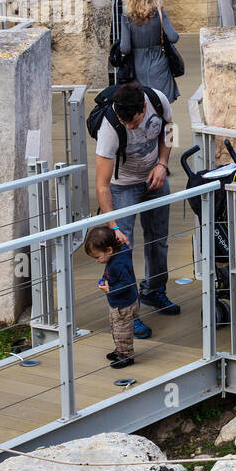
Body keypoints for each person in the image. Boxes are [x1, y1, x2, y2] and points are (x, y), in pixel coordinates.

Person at [95, 82, 179, 334]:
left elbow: (172, 129)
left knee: (158, 239)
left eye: (133, 121)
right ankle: (128, 313)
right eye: (125, 122)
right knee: (122, 249)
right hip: (122, 188)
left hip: (155, 177)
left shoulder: (157, 99)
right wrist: (114, 226)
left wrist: (163, 163)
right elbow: (101, 186)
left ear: (144, 106)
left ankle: (155, 290)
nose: (129, 126)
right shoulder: (110, 127)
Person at [85, 224, 143, 369]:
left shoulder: (119, 263)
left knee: (122, 331)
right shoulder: (117, 253)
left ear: (109, 250)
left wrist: (110, 289)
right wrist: (105, 279)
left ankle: (126, 355)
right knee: (116, 328)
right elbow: (109, 271)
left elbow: (127, 283)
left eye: (98, 257)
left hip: (124, 304)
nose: (97, 261)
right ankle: (119, 350)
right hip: (117, 303)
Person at [119, 0, 181, 102]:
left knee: (143, 106)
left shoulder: (126, 17)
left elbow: (125, 48)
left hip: (138, 67)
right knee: (162, 105)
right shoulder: (158, 12)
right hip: (159, 63)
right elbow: (174, 37)